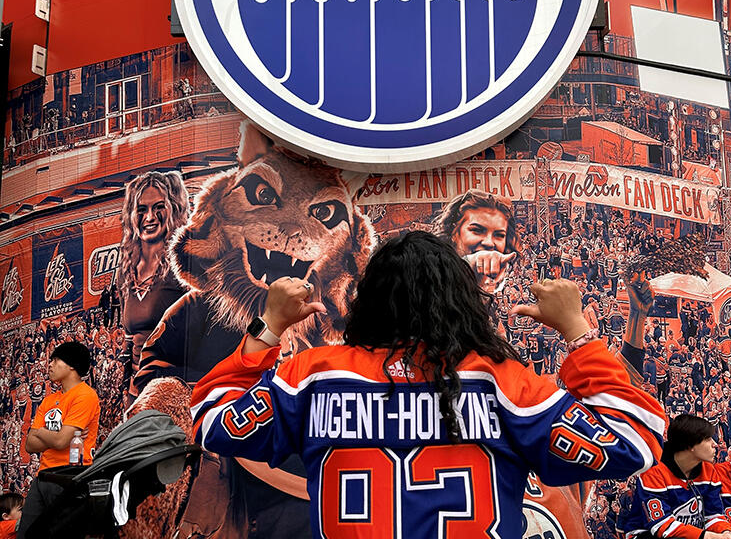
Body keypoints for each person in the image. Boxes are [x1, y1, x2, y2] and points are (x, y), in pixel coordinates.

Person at [191, 231, 665, 538]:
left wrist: (269, 326)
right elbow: (638, 438)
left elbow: (212, 420)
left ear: (367, 300)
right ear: (463, 300)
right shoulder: (504, 382)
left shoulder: (313, 376)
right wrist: (579, 333)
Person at [118, 170, 189, 400]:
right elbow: (130, 342)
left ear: (173, 209)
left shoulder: (184, 264)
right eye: (142, 209)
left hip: (172, 393)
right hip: (136, 395)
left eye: (158, 207)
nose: (150, 217)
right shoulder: (127, 271)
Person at [18, 341, 99, 539]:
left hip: (70, 476)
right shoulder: (47, 400)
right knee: (27, 534)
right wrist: (55, 434)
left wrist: (41, 432)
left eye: (56, 359)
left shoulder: (85, 395)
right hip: (42, 476)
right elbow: (29, 444)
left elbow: (62, 441)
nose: (50, 364)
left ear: (71, 365)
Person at [619, 414, 731, 539]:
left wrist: (725, 532)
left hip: (693, 534)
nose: (714, 444)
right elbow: (661, 526)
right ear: (690, 444)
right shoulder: (654, 472)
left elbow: (713, 515)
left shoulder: (709, 470)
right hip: (647, 533)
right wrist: (706, 536)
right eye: (708, 439)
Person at [433, 189, 519, 291]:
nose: (489, 242)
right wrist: (466, 266)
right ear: (454, 232)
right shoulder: (426, 269)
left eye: (499, 235)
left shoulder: (499, 285)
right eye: (477, 230)